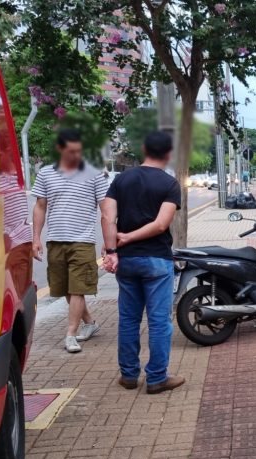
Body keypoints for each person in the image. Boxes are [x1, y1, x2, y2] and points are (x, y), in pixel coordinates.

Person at [100, 131, 185, 394]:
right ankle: (157, 378)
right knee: (159, 321)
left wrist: (113, 249)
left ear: (144, 150)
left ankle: (128, 375)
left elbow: (106, 216)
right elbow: (161, 225)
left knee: (128, 319)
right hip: (157, 261)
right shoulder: (170, 184)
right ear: (168, 154)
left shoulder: (121, 180)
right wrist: (129, 237)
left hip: (127, 262)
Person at [31, 129, 109, 353]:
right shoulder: (46, 174)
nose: (76, 155)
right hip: (55, 240)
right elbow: (40, 207)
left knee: (78, 289)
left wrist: (108, 240)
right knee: (65, 288)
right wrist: (36, 238)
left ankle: (70, 334)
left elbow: (106, 210)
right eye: (71, 151)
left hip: (83, 241)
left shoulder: (94, 174)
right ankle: (90, 323)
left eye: (79, 150)